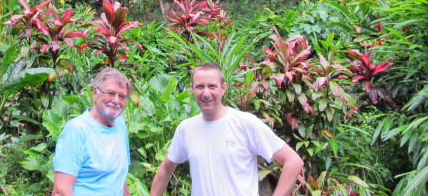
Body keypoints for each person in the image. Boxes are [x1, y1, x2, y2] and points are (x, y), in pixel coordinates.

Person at [150, 62, 304, 196]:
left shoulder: (245, 123)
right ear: (192, 89)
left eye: (212, 86)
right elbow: (165, 170)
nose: (206, 93)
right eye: (200, 87)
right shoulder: (186, 129)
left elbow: (293, 162)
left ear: (223, 88)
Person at [52, 67, 132, 196]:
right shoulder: (77, 130)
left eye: (122, 96)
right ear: (95, 92)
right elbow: (61, 190)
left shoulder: (120, 125)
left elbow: (119, 178)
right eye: (110, 93)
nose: (116, 100)